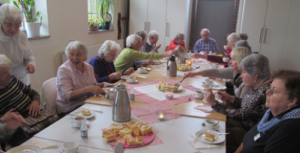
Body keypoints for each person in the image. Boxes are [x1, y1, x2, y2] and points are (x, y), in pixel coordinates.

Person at [204, 54, 272, 152]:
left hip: (248, 135)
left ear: (255, 75)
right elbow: (249, 106)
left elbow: (240, 114)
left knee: (209, 132)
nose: (241, 75)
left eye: (244, 72)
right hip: (246, 127)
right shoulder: (260, 86)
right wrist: (231, 98)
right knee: (212, 122)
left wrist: (214, 103)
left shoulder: (262, 92)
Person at [235, 70, 300, 153]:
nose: (267, 92)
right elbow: (250, 138)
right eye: (270, 89)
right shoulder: (269, 113)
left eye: (274, 91)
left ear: (292, 100)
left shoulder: (289, 129)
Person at [56, 41, 114, 116]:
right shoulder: (63, 70)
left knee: (109, 111)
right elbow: (67, 96)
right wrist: (89, 89)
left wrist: (103, 84)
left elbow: (93, 84)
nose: (74, 58)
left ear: (85, 57)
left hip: (86, 104)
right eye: (71, 54)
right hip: (69, 109)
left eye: (78, 55)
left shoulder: (89, 68)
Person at [183, 47, 252, 99]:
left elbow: (241, 107)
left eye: (233, 59)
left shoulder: (247, 82)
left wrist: (214, 103)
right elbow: (218, 71)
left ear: (241, 61)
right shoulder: (236, 71)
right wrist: (195, 73)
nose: (230, 62)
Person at [0, 4, 36, 86]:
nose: (13, 29)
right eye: (9, 24)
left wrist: (30, 64)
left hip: (22, 80)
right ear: (1, 22)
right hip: (3, 83)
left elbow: (29, 57)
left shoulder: (22, 36)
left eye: (17, 25)